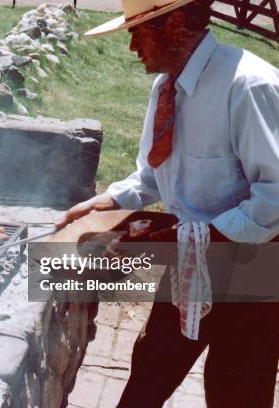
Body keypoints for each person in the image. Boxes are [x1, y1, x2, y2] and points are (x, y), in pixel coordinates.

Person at [55, 0, 279, 406]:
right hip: (190, 261)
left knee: (238, 392)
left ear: (174, 25)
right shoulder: (166, 88)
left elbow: (274, 198)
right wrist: (103, 201)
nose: (132, 48)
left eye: (137, 33)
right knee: (147, 379)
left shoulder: (250, 85)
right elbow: (153, 174)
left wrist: (191, 236)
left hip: (253, 274)